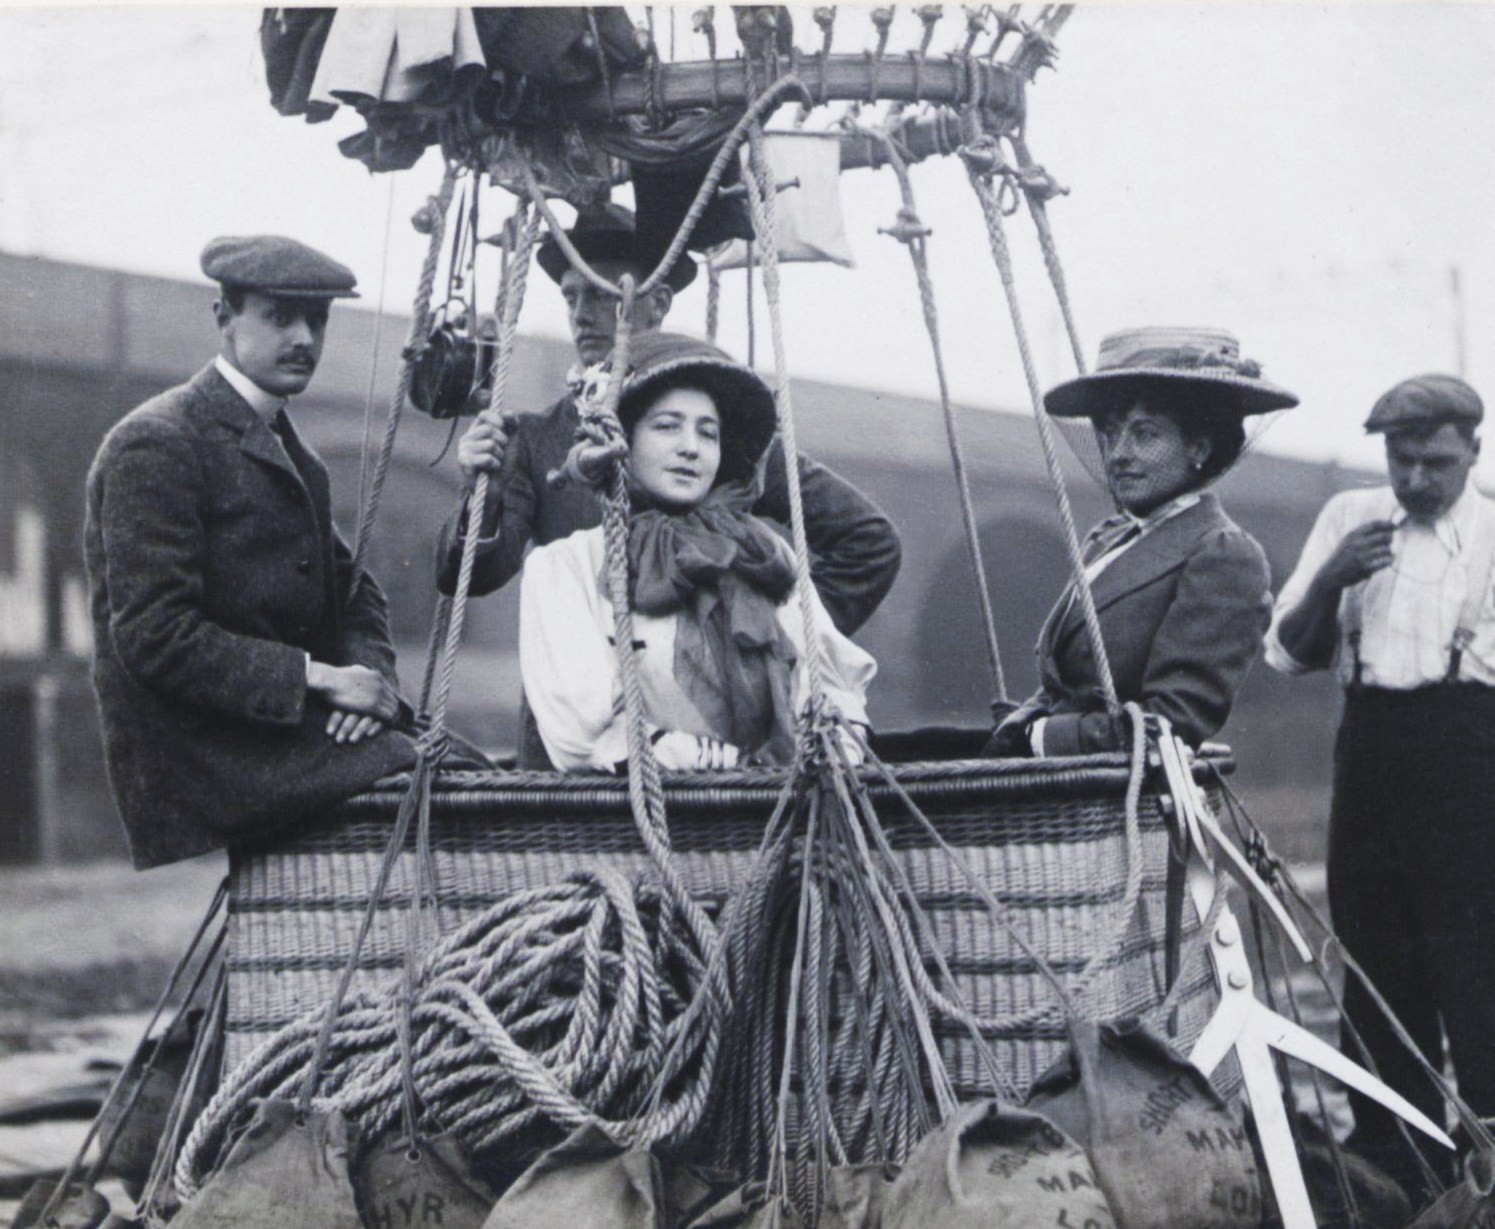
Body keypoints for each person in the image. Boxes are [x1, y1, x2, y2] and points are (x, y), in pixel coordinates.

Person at [438, 203, 900, 765]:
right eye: (571, 296)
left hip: (731, 750)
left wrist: (752, 629)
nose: (584, 315)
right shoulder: (535, 441)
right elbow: (473, 575)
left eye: (605, 295)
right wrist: (477, 490)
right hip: (589, 755)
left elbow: (867, 542)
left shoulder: (719, 440)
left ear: (656, 303)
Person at [84, 236, 419, 870]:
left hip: (282, 731)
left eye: (316, 320)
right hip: (207, 754)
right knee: (440, 775)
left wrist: (370, 685)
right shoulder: (157, 442)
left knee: (463, 768)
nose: (304, 339)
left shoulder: (294, 453)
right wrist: (320, 679)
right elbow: (155, 636)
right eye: (280, 316)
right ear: (225, 319)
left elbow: (357, 595)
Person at [1265, 374, 1495, 1199]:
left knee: (1478, 969)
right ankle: (1398, 1180)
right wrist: (1331, 578)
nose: (1415, 482)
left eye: (1434, 462)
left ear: (1473, 449)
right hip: (1369, 768)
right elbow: (1288, 654)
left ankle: (1487, 1166)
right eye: (1401, 462)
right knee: (1374, 972)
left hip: (1472, 774)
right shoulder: (1347, 521)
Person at [520, 332, 875, 773]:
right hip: (632, 826)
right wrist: (735, 765)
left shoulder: (760, 554)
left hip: (782, 816)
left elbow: (834, 684)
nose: (690, 446)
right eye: (667, 426)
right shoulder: (566, 568)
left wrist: (830, 754)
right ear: (623, 438)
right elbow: (583, 736)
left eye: (707, 433)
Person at [986, 327, 1297, 757]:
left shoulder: (1223, 554)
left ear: (1199, 446)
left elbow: (1173, 723)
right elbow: (1066, 683)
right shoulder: (1109, 539)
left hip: (1128, 807)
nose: (1118, 454)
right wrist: (1022, 720)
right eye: (1112, 434)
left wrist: (1038, 738)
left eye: (1145, 435)